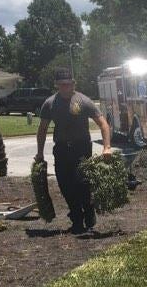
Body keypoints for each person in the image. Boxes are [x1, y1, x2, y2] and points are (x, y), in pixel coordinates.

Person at [36, 68, 112, 235]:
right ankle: (77, 220)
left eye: (68, 84)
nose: (65, 88)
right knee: (65, 186)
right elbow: (42, 130)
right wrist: (40, 153)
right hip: (62, 150)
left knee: (83, 184)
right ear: (57, 85)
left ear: (73, 84)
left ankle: (89, 215)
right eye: (61, 85)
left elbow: (103, 124)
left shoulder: (84, 101)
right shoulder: (50, 104)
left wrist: (106, 147)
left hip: (81, 148)